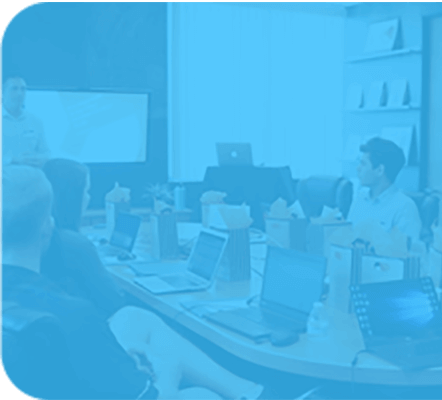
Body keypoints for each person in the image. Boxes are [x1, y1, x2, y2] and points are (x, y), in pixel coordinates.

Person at [0, 165, 274, 400]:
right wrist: (169, 369)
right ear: (47, 227)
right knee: (201, 393)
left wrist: (116, 359)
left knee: (132, 316)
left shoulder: (54, 313)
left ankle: (251, 392)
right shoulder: (75, 315)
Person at [40, 158, 125, 319]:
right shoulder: (74, 244)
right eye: (86, 191)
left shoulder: (36, 237)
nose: (88, 198)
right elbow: (114, 300)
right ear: (72, 196)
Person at [346, 137, 422, 241]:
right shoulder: (360, 198)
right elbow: (348, 237)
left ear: (379, 170)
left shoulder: (405, 208)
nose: (358, 168)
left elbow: (407, 249)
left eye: (363, 164)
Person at [1, 76, 50, 167]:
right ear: (2, 93)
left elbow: (46, 153)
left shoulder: (35, 121)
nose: (19, 93)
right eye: (14, 89)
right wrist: (12, 160)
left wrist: (41, 159)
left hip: (31, 172)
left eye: (23, 89)